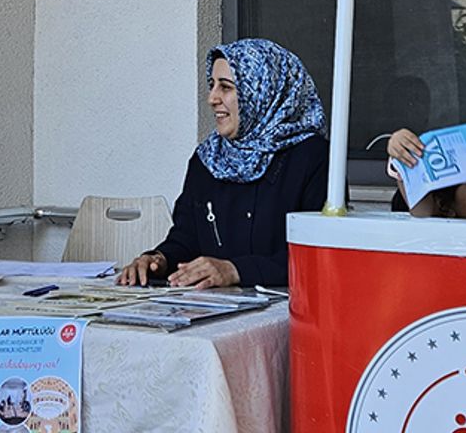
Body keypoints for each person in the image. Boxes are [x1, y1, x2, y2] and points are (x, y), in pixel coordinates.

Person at [117, 39, 329, 289]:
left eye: (226, 87)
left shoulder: (311, 157)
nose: (212, 98)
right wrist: (158, 260)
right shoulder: (208, 158)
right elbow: (187, 238)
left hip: (287, 307)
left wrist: (235, 270)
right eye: (212, 85)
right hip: (212, 305)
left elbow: (319, 256)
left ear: (261, 90)